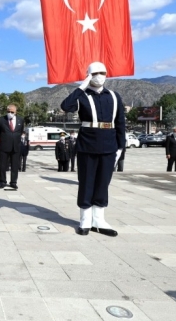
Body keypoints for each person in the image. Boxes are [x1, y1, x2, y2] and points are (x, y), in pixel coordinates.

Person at [61, 61, 125, 237]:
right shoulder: (82, 96)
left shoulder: (114, 96)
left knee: (103, 183)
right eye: (95, 73)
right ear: (88, 75)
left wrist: (121, 147)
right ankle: (85, 219)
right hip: (87, 145)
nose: (99, 76)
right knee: (87, 182)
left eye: (102, 73)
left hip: (109, 145)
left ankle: (99, 220)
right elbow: (65, 106)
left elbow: (120, 122)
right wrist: (81, 87)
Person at [0, 104, 25, 189]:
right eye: (8, 111)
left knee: (15, 165)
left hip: (16, 146)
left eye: (12, 112)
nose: (10, 113)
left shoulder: (20, 120)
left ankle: (13, 182)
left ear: (15, 112)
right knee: (3, 165)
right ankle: (2, 181)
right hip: (4, 146)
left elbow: (21, 131)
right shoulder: (1, 120)